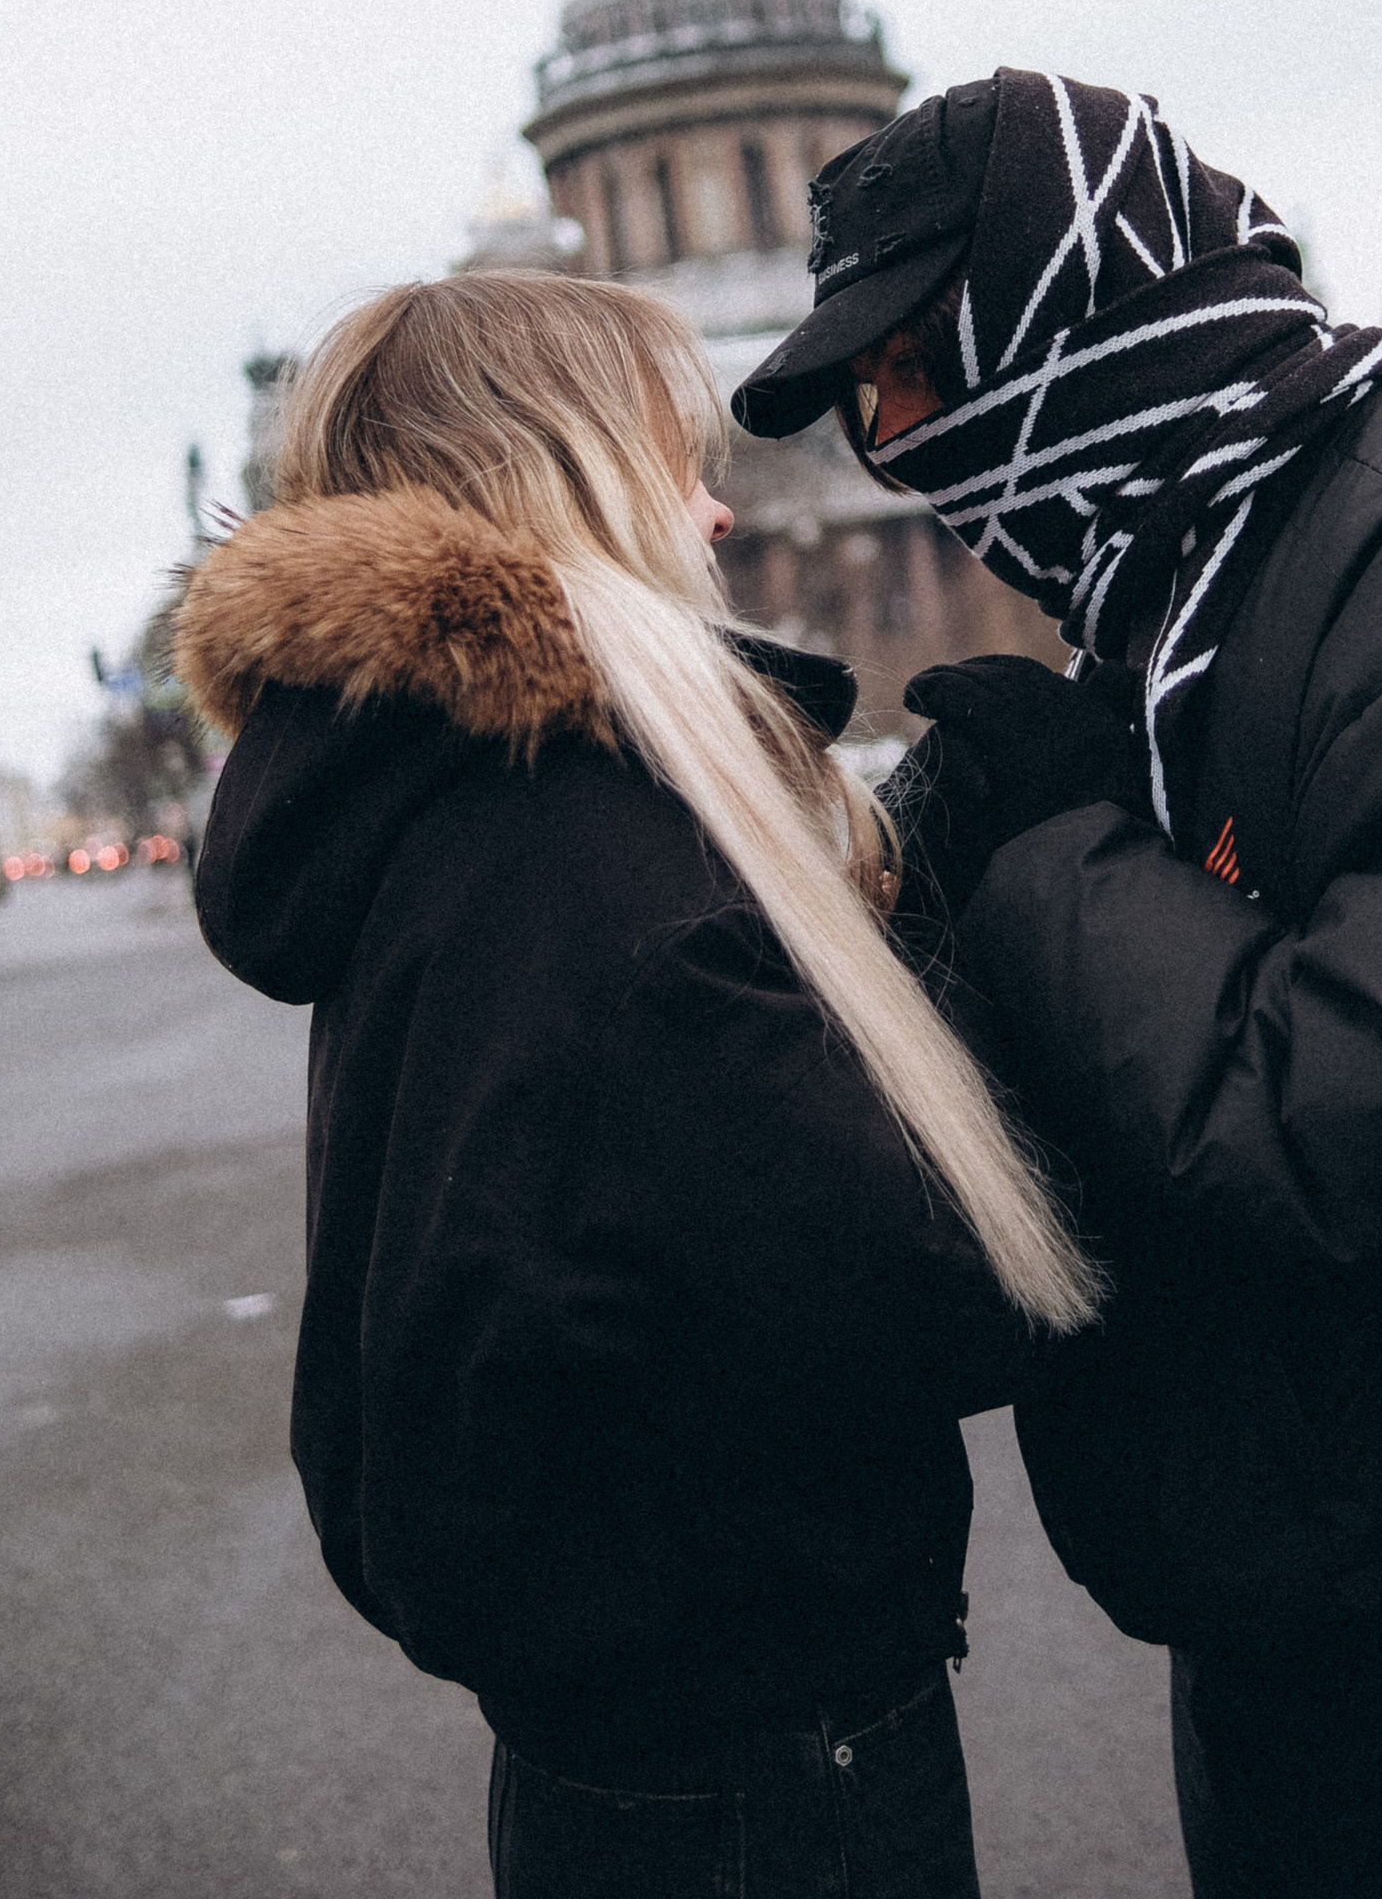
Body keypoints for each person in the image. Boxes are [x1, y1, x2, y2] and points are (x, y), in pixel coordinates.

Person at [734, 68, 1382, 1899]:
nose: (894, 445)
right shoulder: (1194, 589)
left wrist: (1060, 860)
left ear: (1067, 304)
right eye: (863, 403)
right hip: (1315, 1630)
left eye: (911, 366)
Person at [173, 270, 1100, 1899]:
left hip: (618, 1747)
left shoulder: (457, 800)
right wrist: (1062, 943)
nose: (722, 510)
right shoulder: (602, 864)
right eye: (674, 463)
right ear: (567, 478)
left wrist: (916, 865)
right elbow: (941, 1287)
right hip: (764, 1767)